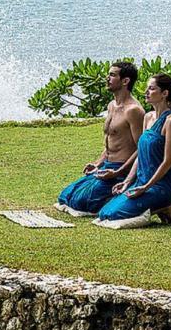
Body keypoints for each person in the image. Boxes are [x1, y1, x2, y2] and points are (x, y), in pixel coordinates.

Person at [94, 73, 171, 229]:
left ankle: (166, 205)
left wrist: (146, 187)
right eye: (147, 88)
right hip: (141, 181)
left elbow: (168, 162)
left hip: (161, 185)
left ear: (164, 93)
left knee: (115, 215)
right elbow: (140, 155)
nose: (146, 92)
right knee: (105, 213)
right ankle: (158, 206)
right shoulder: (148, 117)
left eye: (151, 89)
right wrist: (126, 182)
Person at [54, 62, 145, 216]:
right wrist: (97, 163)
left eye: (112, 75)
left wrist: (118, 172)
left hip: (122, 169)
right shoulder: (111, 106)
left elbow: (141, 148)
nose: (107, 78)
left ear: (125, 81)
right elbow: (111, 142)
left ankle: (122, 193)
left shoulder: (133, 110)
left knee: (80, 202)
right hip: (105, 167)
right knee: (66, 196)